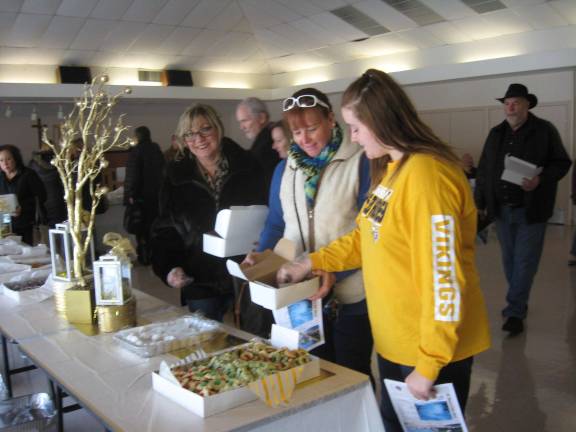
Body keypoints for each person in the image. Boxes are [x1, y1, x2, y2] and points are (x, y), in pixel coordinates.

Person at [276, 69, 491, 431]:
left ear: (382, 121)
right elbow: (363, 239)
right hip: (396, 343)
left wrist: (428, 365)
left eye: (356, 127)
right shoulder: (392, 170)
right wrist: (310, 261)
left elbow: (444, 280)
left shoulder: (426, 178)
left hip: (430, 352)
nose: (354, 139)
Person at [243, 88, 373, 376]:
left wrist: (332, 271)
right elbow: (277, 225)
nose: (304, 139)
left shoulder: (362, 162)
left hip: (350, 295)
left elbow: (370, 235)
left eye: (312, 129)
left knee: (353, 375)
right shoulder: (284, 170)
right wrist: (263, 258)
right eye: (296, 132)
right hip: (298, 295)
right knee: (310, 373)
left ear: (331, 119)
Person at [150, 104, 267, 321]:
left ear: (218, 129)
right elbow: (164, 230)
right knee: (208, 344)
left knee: (251, 343)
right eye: (190, 134)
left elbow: (266, 217)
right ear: (184, 140)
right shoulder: (175, 177)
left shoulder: (249, 166)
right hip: (198, 278)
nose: (199, 139)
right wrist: (169, 268)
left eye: (205, 129)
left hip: (244, 272)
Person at [475, 83, 571, 335]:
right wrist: (479, 205)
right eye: (507, 103)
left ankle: (515, 310)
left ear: (527, 104)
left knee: (525, 261)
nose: (510, 107)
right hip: (502, 210)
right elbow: (484, 170)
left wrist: (540, 179)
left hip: (531, 210)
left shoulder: (544, 130)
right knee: (509, 260)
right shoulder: (496, 133)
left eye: (516, 102)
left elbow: (561, 163)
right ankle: (519, 300)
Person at [124, 126, 165, 265]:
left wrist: (130, 194)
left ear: (137, 137)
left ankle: (145, 257)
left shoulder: (136, 152)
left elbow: (132, 176)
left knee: (141, 229)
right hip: (156, 196)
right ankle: (156, 255)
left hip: (141, 197)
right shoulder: (157, 150)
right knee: (154, 226)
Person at [0, 145, 46, 245]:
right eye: (1, 160)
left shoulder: (28, 174)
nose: (5, 163)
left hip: (26, 224)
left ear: (16, 158)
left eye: (8, 159)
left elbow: (42, 197)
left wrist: (23, 208)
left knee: (26, 254)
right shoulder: (1, 177)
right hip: (4, 224)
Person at [236, 97, 280, 192]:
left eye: (245, 121)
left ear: (261, 118)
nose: (242, 127)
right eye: (240, 122)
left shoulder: (269, 144)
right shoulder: (266, 139)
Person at [29, 145, 67, 227]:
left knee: (49, 230)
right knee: (63, 228)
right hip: (59, 198)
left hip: (43, 200)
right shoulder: (61, 161)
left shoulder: (33, 164)